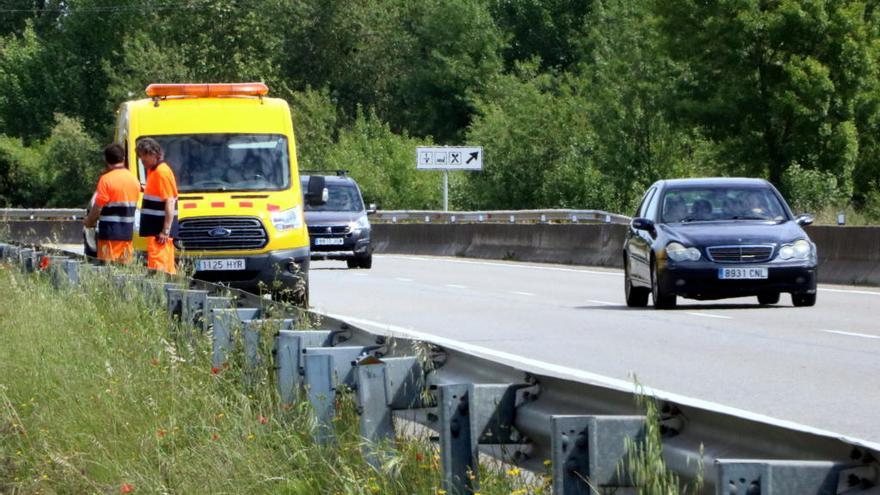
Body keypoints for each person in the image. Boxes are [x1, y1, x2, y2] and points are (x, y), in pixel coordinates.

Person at [83, 144, 141, 263]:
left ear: (106, 160)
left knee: (108, 271)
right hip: (127, 235)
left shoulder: (106, 180)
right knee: (124, 272)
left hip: (109, 235)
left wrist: (89, 222)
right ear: (123, 159)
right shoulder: (134, 180)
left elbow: (98, 208)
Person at [137, 138, 179, 275]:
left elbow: (170, 202)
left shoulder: (162, 172)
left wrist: (165, 230)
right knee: (161, 265)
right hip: (156, 232)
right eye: (140, 155)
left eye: (145, 155)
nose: (142, 159)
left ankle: (163, 292)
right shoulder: (153, 171)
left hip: (160, 233)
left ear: (155, 154)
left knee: (160, 268)